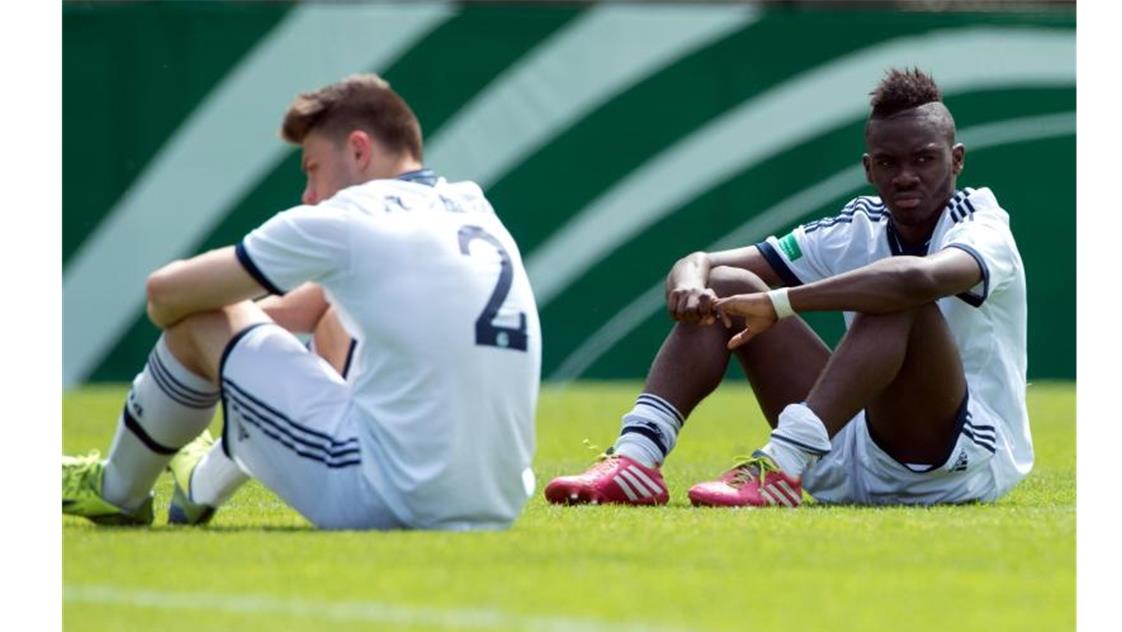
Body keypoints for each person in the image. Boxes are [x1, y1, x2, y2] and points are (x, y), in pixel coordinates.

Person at [63, 73, 542, 530]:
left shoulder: (350, 217)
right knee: (333, 319)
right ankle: (204, 479)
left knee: (201, 318)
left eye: (312, 168)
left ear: (358, 149)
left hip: (393, 496)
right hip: (498, 502)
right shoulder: (472, 206)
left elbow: (163, 293)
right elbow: (315, 305)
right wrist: (241, 349)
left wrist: (202, 342)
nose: (309, 195)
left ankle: (117, 489)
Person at [545, 68, 1032, 508]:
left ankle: (777, 465)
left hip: (952, 465)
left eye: (924, 159)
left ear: (957, 160)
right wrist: (691, 283)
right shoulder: (858, 225)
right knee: (727, 285)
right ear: (868, 169)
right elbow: (702, 262)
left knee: (898, 296)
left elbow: (914, 280)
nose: (905, 176)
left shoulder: (981, 225)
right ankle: (636, 459)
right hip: (842, 453)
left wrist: (778, 303)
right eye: (888, 163)